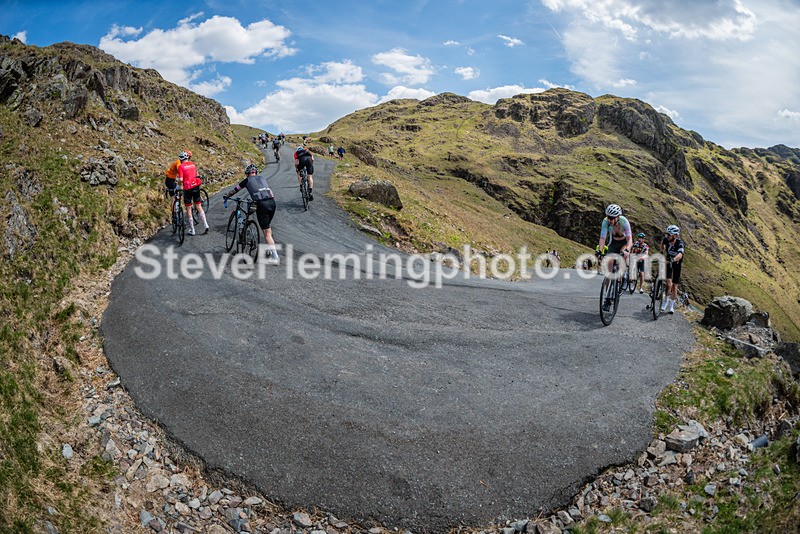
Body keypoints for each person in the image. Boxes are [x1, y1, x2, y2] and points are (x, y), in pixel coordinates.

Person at [225, 164, 279, 262]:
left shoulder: (246, 180)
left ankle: (275, 257)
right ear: (256, 173)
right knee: (267, 229)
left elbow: (235, 190)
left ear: (247, 174)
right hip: (272, 203)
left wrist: (227, 195)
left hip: (262, 204)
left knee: (266, 232)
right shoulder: (262, 178)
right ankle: (270, 249)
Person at [596, 204, 633, 310]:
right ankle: (607, 299)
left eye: (611, 218)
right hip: (613, 243)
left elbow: (630, 239)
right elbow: (603, 238)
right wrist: (600, 250)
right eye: (608, 217)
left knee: (623, 257)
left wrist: (627, 250)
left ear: (617, 217)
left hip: (624, 243)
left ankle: (624, 275)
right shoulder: (605, 222)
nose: (609, 219)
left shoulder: (624, 222)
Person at [176, 151, 208, 236]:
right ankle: (206, 224)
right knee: (198, 205)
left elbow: (181, 180)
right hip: (196, 186)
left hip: (188, 188)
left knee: (189, 208)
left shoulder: (181, 167)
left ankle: (192, 230)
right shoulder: (193, 164)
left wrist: (178, 187)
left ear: (180, 159)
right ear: (187, 158)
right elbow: (196, 174)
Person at [661, 225, 685, 314]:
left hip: (677, 264)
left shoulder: (680, 243)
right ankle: (665, 300)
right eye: (668, 234)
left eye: (670, 235)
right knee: (669, 284)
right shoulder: (666, 239)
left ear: (675, 235)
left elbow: (680, 255)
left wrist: (674, 259)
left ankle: (671, 306)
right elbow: (662, 243)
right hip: (668, 263)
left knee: (675, 286)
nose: (668, 236)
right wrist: (662, 250)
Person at [165, 150, 191, 214]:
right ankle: (174, 214)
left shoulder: (181, 162)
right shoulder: (179, 163)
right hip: (170, 180)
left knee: (178, 193)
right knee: (173, 197)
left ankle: (177, 210)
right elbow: (180, 174)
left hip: (172, 180)